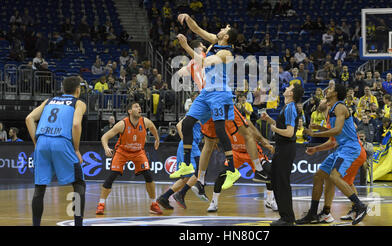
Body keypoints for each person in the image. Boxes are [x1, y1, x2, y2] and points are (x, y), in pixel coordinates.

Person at [175, 14, 241, 189]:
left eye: (225, 29)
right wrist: (188, 18)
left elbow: (203, 62)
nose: (221, 29)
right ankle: (186, 164)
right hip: (206, 92)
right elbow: (196, 29)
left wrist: (186, 47)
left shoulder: (226, 52)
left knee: (219, 129)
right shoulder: (214, 40)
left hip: (220, 93)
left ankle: (233, 170)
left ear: (226, 36)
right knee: (187, 124)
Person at [298, 83, 369, 226]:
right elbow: (335, 137)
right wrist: (316, 146)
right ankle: (315, 213)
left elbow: (337, 130)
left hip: (350, 148)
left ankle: (359, 205)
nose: (327, 91)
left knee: (334, 176)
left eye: (330, 89)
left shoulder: (340, 107)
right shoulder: (332, 110)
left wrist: (315, 133)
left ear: (335, 93)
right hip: (341, 148)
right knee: (319, 175)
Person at [25, 76, 87, 226]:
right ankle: (78, 224)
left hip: (42, 143)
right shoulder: (79, 103)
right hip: (61, 141)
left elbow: (29, 118)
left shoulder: (49, 101)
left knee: (39, 188)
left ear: (63, 89)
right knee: (78, 184)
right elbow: (76, 124)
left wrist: (36, 142)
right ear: (78, 90)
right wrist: (76, 149)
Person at [95, 102, 161, 215]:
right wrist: (106, 148)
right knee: (112, 176)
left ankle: (153, 204)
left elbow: (153, 128)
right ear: (129, 111)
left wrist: (157, 139)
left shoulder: (145, 121)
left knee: (148, 175)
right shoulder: (122, 124)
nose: (139, 108)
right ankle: (101, 204)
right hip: (122, 152)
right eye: (136, 107)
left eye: (140, 107)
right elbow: (104, 137)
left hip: (138, 152)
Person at [260, 83, 304, 226]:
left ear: (291, 94)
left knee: (282, 183)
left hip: (286, 148)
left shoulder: (291, 108)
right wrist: (270, 121)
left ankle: (288, 218)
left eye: (289, 88)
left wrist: (273, 128)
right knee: (276, 180)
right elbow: (282, 127)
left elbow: (290, 132)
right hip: (282, 147)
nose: (286, 88)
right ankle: (284, 216)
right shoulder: (287, 107)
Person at [205, 126, 277, 213]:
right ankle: (214, 202)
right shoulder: (226, 125)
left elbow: (259, 137)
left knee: (269, 171)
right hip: (236, 153)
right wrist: (213, 141)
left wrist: (267, 144)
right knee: (222, 174)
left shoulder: (246, 127)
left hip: (252, 152)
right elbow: (215, 134)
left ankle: (270, 200)